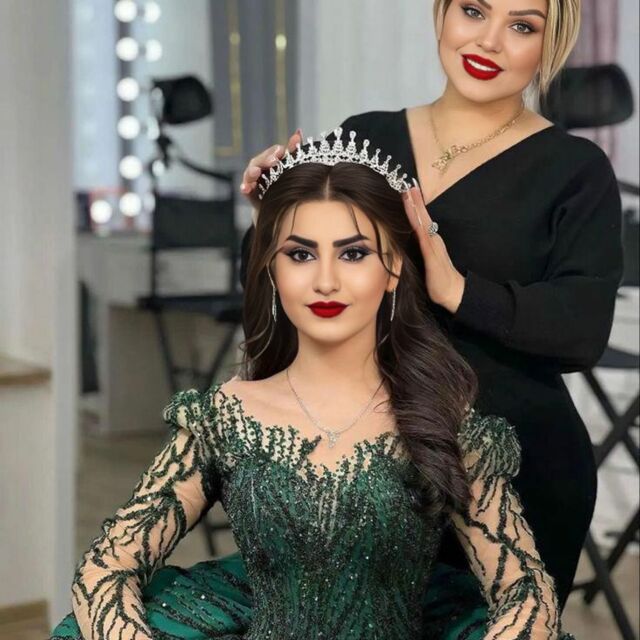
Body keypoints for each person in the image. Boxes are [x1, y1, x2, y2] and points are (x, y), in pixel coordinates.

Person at [50, 133, 576, 639]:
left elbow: (525, 588)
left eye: (353, 254)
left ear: (393, 267)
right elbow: (107, 566)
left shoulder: (443, 417)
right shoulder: (225, 416)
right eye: (300, 254)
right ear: (271, 268)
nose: (325, 281)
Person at [237, 0, 624, 610]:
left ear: (550, 45)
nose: (489, 40)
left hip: (512, 471)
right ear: (441, 14)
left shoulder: (576, 170)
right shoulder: (365, 137)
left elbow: (582, 331)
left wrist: (458, 290)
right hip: (363, 466)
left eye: (522, 26)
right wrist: (274, 223)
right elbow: (287, 292)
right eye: (473, 10)